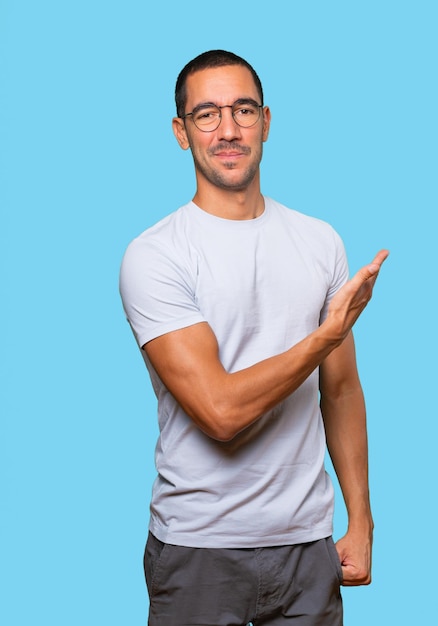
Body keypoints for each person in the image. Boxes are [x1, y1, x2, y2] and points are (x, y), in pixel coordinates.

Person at [119, 49, 389, 626]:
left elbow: (340, 391)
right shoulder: (156, 255)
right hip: (199, 550)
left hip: (307, 548)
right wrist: (325, 336)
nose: (228, 130)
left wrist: (360, 520)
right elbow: (219, 411)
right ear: (180, 132)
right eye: (207, 114)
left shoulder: (320, 242)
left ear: (267, 121)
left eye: (243, 110)